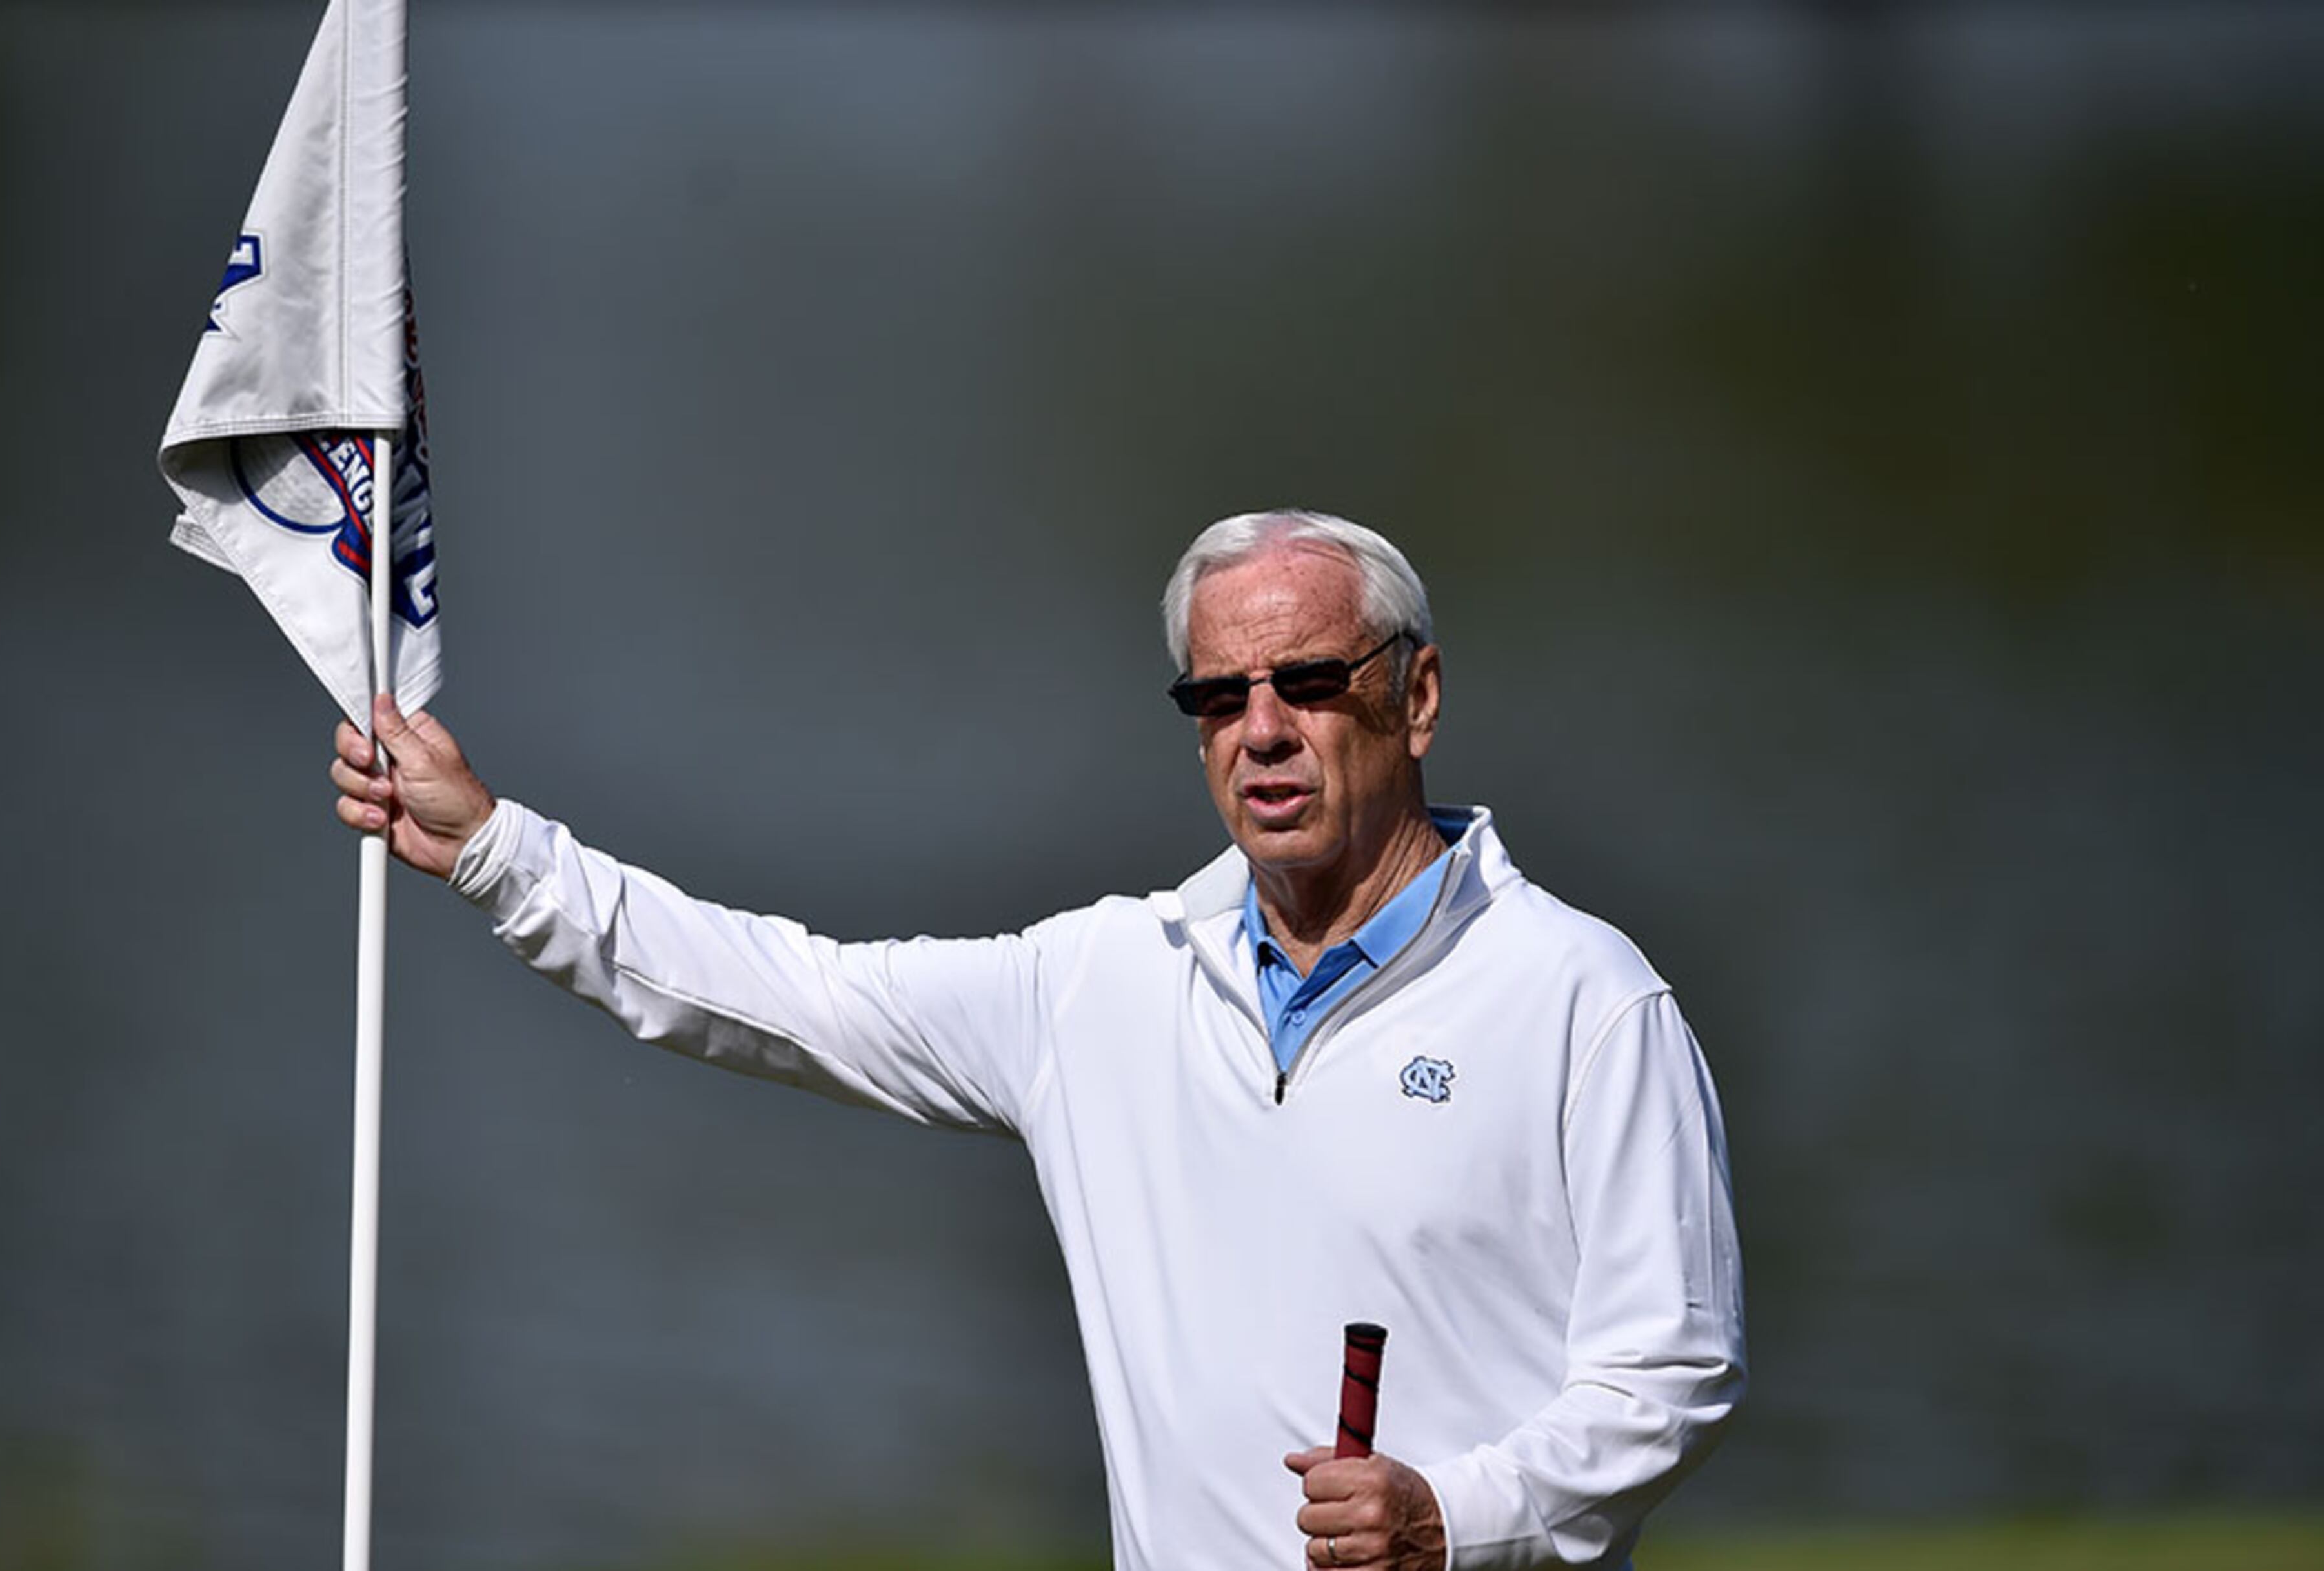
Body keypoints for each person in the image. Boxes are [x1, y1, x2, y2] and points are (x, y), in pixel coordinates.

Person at [330, 510, 1745, 1570]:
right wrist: (496, 853)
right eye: (1217, 697)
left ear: (1416, 696)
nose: (1262, 731)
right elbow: (785, 993)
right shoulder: (1104, 982)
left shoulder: (1582, 999)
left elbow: (1669, 1373)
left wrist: (1454, 1515)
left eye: (1309, 682)